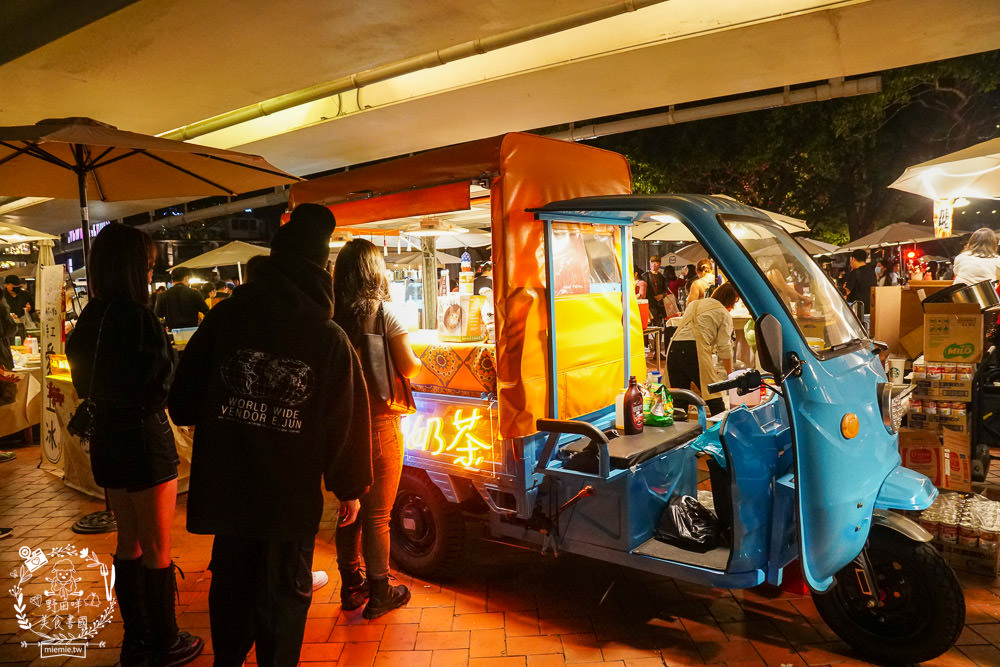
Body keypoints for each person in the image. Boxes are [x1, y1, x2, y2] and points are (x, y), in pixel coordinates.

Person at [168, 203, 372, 667]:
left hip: (228, 495)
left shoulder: (225, 319)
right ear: (321, 269)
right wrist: (350, 488)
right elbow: (345, 420)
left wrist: (231, 413)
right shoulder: (328, 338)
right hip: (287, 502)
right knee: (283, 603)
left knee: (232, 594)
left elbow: (181, 403)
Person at [65, 223, 203, 667]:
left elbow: (84, 381)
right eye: (146, 264)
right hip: (145, 437)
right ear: (132, 266)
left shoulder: (90, 318)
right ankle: (166, 640)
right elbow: (162, 386)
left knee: (129, 542)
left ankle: (136, 640)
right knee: (159, 547)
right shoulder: (139, 318)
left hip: (106, 438)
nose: (150, 272)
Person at [333, 238, 422, 619]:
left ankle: (352, 587)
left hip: (339, 428)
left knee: (347, 509)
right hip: (378, 423)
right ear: (374, 272)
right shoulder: (385, 313)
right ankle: (382, 591)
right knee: (377, 516)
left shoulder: (331, 315)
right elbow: (408, 366)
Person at [666, 282, 739, 416]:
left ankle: (681, 434)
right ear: (730, 301)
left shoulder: (694, 304)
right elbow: (724, 347)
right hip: (693, 350)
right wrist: (730, 373)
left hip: (673, 349)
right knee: (714, 397)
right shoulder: (723, 313)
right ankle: (721, 434)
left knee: (679, 400)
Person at [843, 249, 877, 315]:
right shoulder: (871, 271)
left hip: (858, 311)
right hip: (870, 309)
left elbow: (846, 291)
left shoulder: (855, 273)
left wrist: (844, 287)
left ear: (853, 259)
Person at [643, 256, 669, 326]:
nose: (654, 264)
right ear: (650, 263)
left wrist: (662, 295)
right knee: (648, 326)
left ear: (660, 264)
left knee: (659, 325)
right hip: (649, 304)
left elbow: (665, 290)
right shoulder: (645, 276)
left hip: (659, 305)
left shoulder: (662, 277)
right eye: (652, 262)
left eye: (656, 262)